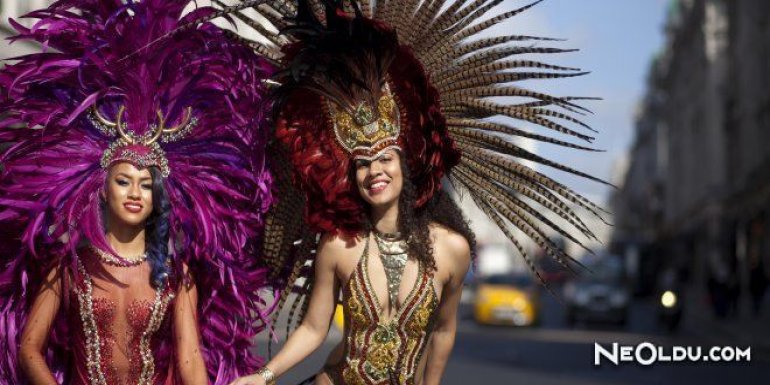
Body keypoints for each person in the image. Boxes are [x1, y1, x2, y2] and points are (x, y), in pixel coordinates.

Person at [226, 1, 610, 384]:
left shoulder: (451, 250)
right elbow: (313, 328)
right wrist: (264, 375)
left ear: (406, 163)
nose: (374, 171)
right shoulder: (339, 246)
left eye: (384, 159)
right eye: (362, 162)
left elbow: (443, 330)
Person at [0, 1, 275, 384]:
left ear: (157, 197)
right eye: (124, 180)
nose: (135, 193)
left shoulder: (175, 274)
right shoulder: (68, 266)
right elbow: (29, 347)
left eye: (147, 185)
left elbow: (190, 359)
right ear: (102, 188)